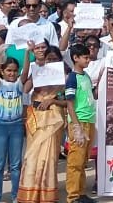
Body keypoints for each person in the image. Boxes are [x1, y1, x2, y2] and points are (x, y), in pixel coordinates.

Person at [19, 43, 68, 203]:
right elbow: (25, 89)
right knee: (32, 156)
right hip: (36, 117)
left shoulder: (65, 76)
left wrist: (52, 100)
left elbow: (69, 101)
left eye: (55, 59)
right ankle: (29, 195)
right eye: (49, 59)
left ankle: (46, 194)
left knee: (48, 158)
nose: (51, 62)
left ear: (60, 60)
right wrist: (28, 57)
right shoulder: (38, 72)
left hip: (54, 118)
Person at [65, 45, 98, 203]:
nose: (88, 60)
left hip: (89, 121)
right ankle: (73, 196)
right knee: (75, 161)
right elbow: (69, 103)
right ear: (75, 58)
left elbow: (92, 95)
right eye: (85, 57)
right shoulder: (72, 78)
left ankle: (81, 192)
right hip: (79, 121)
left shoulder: (86, 76)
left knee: (83, 160)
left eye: (88, 57)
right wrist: (76, 126)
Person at [0, 55, 25, 203]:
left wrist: (28, 55)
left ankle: (16, 196)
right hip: (0, 126)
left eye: (14, 71)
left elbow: (25, 74)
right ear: (2, 71)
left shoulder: (19, 84)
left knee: (16, 165)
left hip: (17, 126)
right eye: (8, 70)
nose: (12, 73)